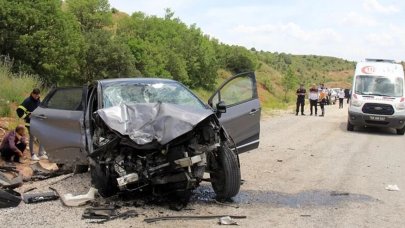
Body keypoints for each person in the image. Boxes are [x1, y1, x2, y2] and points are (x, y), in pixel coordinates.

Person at [16, 88, 47, 161]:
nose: (36, 97)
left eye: (38, 95)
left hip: (38, 123)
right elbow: (19, 111)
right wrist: (27, 116)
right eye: (35, 95)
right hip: (30, 123)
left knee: (42, 136)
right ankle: (32, 154)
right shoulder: (27, 101)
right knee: (32, 138)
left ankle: (41, 153)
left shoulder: (39, 100)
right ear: (32, 93)